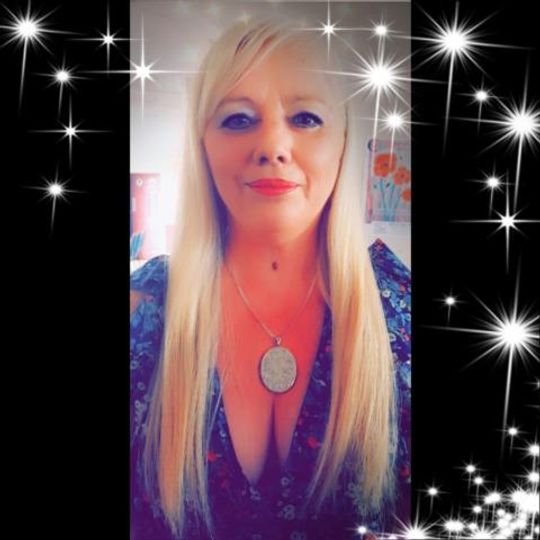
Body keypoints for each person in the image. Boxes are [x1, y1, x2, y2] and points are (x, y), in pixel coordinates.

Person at [130, 19, 411, 540]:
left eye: (306, 117)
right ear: (202, 145)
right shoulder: (143, 309)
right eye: (237, 119)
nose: (273, 146)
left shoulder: (402, 307)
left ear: (343, 142)